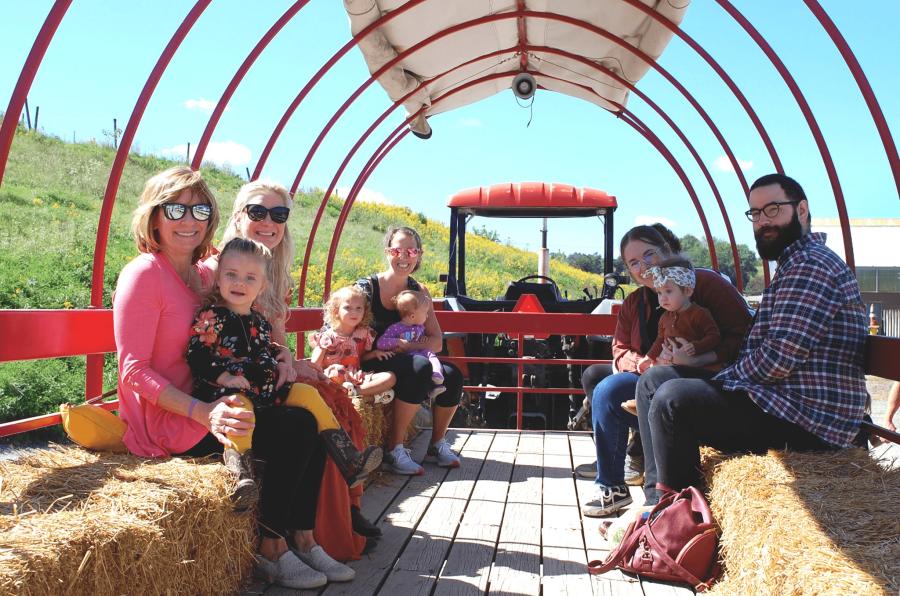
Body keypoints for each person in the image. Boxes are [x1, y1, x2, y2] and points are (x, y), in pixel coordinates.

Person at [114, 168, 351, 589]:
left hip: (216, 398)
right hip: (171, 416)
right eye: (175, 208)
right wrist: (202, 412)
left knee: (305, 415)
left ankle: (302, 539)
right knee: (295, 427)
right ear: (153, 217)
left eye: (199, 209)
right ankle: (272, 550)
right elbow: (133, 371)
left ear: (211, 218)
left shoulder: (207, 275)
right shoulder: (144, 274)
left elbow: (243, 328)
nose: (189, 220)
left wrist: (279, 355)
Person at [635, 173, 869, 504]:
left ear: (801, 210)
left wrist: (717, 377)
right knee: (653, 380)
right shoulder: (794, 265)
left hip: (808, 419)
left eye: (772, 209)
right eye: (755, 214)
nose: (762, 221)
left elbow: (776, 361)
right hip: (780, 401)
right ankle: (656, 504)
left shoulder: (812, 266)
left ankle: (682, 520)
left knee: (673, 399)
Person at [217, 179, 381, 561]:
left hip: (265, 370)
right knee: (312, 411)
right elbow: (212, 336)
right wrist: (280, 364)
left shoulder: (271, 273)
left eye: (280, 214)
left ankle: (340, 514)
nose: (269, 222)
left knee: (334, 398)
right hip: (234, 382)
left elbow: (276, 342)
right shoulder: (224, 268)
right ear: (239, 214)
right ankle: (321, 526)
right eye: (258, 211)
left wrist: (289, 362)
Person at [186, 238, 382, 498]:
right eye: (231, 275)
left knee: (308, 394)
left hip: (265, 389)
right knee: (238, 408)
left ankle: (348, 458)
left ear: (262, 285)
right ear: (218, 278)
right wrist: (225, 376)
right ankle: (241, 474)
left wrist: (280, 356)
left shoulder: (259, 321)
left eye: (250, 278)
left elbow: (263, 349)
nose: (239, 283)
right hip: (226, 390)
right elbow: (196, 353)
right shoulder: (212, 317)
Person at [579, 224, 752, 518]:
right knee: (606, 386)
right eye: (634, 262)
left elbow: (745, 335)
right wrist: (644, 363)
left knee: (653, 382)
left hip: (707, 376)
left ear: (668, 252)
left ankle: (657, 493)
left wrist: (701, 357)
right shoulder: (635, 302)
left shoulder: (703, 284)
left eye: (649, 255)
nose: (643, 266)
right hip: (655, 375)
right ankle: (611, 485)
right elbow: (620, 350)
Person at [357, 226, 464, 475]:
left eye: (411, 251)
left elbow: (436, 342)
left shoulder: (420, 291)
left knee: (453, 374)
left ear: (418, 255)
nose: (403, 257)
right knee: (421, 367)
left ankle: (436, 444)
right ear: (387, 252)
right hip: (377, 359)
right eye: (397, 249)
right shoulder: (368, 288)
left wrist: (411, 346)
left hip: (412, 358)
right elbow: (343, 321)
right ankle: (395, 448)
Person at [620, 257, 721, 416]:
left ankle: (647, 404)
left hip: (696, 367)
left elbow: (714, 336)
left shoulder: (699, 314)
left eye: (668, 291)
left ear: (687, 291)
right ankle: (646, 403)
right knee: (653, 371)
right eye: (659, 293)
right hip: (671, 363)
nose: (662, 298)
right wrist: (649, 356)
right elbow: (660, 340)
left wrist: (697, 346)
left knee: (660, 376)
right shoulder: (665, 317)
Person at [309, 285, 396, 403]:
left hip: (355, 377)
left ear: (364, 312)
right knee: (337, 371)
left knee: (390, 377)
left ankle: (355, 392)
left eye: (358, 308)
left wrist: (374, 354)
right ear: (336, 311)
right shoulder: (328, 336)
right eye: (347, 308)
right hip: (333, 378)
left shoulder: (363, 333)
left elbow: (360, 358)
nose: (353, 312)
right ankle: (371, 397)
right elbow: (315, 365)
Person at [376, 289, 446, 398]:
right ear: (412, 316)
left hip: (419, 354)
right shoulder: (396, 328)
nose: (427, 316)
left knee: (430, 353)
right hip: (406, 357)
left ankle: (436, 376)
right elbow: (381, 343)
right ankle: (432, 385)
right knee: (421, 363)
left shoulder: (420, 328)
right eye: (425, 313)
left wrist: (423, 339)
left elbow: (419, 339)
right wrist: (397, 342)